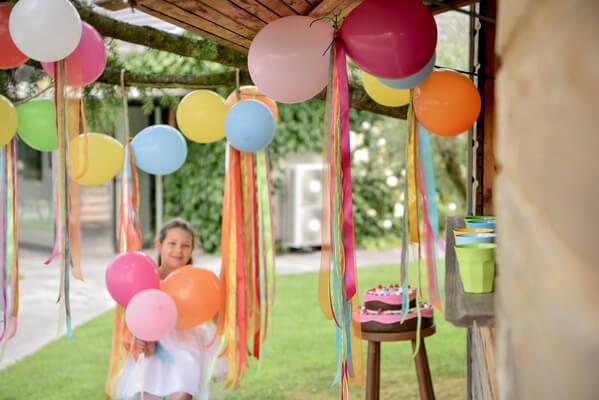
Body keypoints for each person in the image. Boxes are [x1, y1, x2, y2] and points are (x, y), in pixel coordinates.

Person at [115, 218, 223, 400]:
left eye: (186, 245)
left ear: (191, 250)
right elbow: (135, 319)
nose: (178, 250)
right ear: (159, 246)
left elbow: (215, 315)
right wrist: (142, 342)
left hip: (185, 345)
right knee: (145, 389)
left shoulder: (196, 281)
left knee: (181, 388)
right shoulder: (147, 279)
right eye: (172, 243)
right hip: (154, 348)